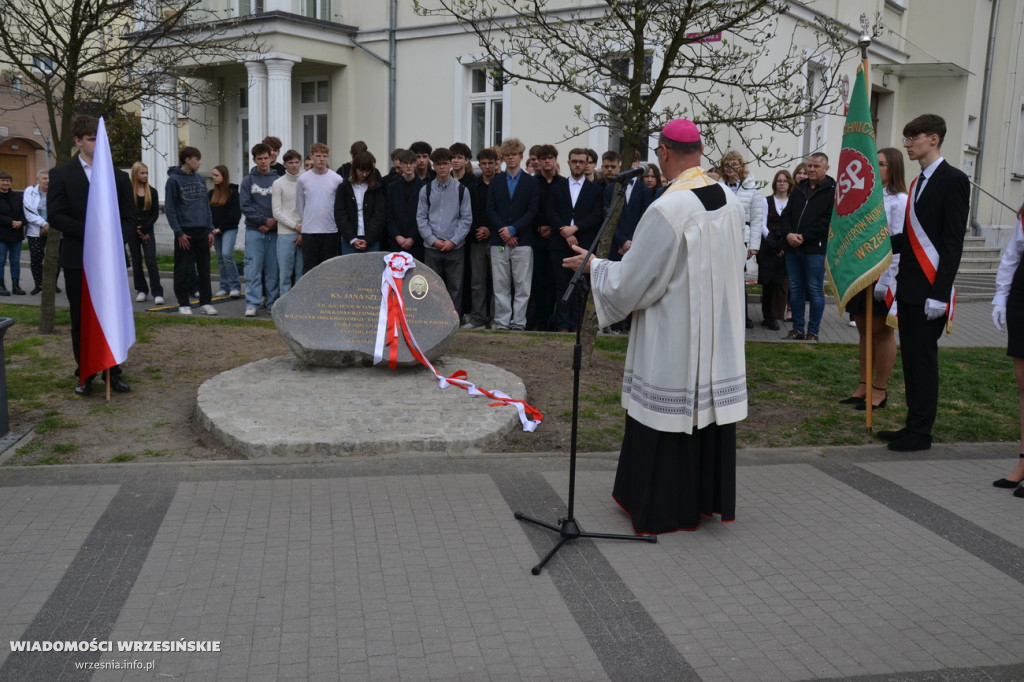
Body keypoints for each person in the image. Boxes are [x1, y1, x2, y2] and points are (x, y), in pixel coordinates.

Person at [562, 118, 747, 534]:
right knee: (704, 410)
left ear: (663, 152)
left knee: (668, 412)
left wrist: (594, 265)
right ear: (699, 150)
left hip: (674, 333)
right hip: (716, 331)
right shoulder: (728, 200)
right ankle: (703, 500)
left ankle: (663, 508)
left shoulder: (668, 207)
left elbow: (633, 281)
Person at [878, 114, 969, 452]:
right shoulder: (917, 183)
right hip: (911, 286)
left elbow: (951, 241)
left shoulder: (953, 179)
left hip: (932, 289)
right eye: (906, 138)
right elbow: (910, 238)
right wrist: (878, 247)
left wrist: (941, 293)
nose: (907, 144)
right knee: (912, 359)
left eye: (912, 137)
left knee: (924, 360)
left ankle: (922, 432)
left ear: (933, 139)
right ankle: (912, 424)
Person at [46, 114, 133, 395]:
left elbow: (130, 218)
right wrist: (93, 234)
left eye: (102, 138)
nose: (98, 143)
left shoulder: (118, 177)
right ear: (78, 141)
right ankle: (85, 372)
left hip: (111, 261)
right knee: (81, 316)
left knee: (113, 312)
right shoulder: (61, 174)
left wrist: (114, 239)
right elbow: (56, 215)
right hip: (78, 258)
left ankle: (114, 370)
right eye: (93, 139)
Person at [840, 147, 908, 409]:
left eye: (881, 164)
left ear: (893, 168)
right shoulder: (868, 197)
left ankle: (879, 389)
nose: (876, 168)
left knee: (881, 333)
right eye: (875, 163)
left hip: (884, 272)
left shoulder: (900, 200)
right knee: (863, 330)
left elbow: (899, 242)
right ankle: (863, 384)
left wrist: (887, 280)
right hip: (862, 270)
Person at [780, 152, 835, 342]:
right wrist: (788, 235)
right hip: (793, 248)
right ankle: (797, 329)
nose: (811, 169)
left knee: (814, 288)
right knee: (795, 288)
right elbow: (786, 215)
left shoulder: (833, 190)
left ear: (826, 168)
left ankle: (813, 332)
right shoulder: (799, 188)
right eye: (809, 166)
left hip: (814, 249)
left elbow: (829, 221)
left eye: (816, 166)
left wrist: (804, 236)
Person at [547, 147, 603, 331]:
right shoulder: (557, 188)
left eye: (581, 161)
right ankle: (563, 325)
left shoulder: (595, 190)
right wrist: (566, 231)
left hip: (583, 245)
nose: (578, 165)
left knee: (581, 287)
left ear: (587, 163)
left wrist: (576, 228)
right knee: (561, 285)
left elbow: (596, 215)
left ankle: (577, 324)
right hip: (560, 244)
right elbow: (550, 212)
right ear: (568, 163)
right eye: (574, 161)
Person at [487, 137, 540, 331]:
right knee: (500, 283)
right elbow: (490, 209)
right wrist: (504, 231)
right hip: (499, 241)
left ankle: (518, 322)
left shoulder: (531, 183)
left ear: (520, 156)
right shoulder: (496, 181)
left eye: (513, 155)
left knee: (522, 285)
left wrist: (514, 229)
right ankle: (501, 321)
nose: (510, 159)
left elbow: (532, 211)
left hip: (523, 241)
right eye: (506, 155)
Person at [991, 198, 1024, 497]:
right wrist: (1001, 297)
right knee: (1023, 382)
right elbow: (1012, 255)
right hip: (1022, 295)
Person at [416, 147, 472, 314]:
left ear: (450, 165)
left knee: (455, 287)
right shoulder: (425, 190)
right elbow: (421, 218)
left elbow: (466, 219)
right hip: (432, 247)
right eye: (438, 164)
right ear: (433, 166)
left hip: (455, 247)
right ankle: (434, 320)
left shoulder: (461, 190)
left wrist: (453, 241)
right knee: (432, 286)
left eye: (445, 164)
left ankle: (453, 319)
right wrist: (433, 240)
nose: (442, 167)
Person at [165, 146, 217, 316]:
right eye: (197, 159)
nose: (200, 163)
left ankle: (206, 302)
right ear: (188, 160)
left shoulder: (200, 179)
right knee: (182, 268)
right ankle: (183, 303)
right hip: (185, 232)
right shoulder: (173, 181)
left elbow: (205, 206)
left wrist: (210, 229)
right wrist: (178, 232)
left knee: (204, 268)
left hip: (202, 230)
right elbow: (170, 209)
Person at [719, 150, 764, 329]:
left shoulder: (752, 188)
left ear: (741, 166)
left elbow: (757, 219)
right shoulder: (718, 186)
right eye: (727, 165)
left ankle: (742, 317)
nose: (730, 168)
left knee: (738, 278)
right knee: (721, 278)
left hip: (742, 238)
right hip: (722, 236)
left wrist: (754, 246)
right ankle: (722, 316)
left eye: (734, 164)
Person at [240, 142, 281, 317]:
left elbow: (284, 205)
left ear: (271, 158)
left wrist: (273, 222)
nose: (263, 162)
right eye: (260, 159)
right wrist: (263, 221)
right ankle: (252, 303)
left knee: (273, 269)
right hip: (254, 230)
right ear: (254, 160)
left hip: (274, 231)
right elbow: (245, 206)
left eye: (266, 158)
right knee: (253, 268)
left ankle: (272, 302)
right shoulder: (247, 181)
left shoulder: (278, 179)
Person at [462, 147, 498, 329]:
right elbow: (467, 213)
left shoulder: (501, 185)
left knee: (497, 282)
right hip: (477, 240)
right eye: (483, 163)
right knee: (477, 282)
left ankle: (494, 319)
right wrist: (478, 230)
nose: (487, 167)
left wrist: (491, 230)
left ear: (496, 164)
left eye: (490, 163)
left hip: (497, 242)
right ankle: (478, 318)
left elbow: (504, 213)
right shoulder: (472, 187)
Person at [295, 142, 343, 273]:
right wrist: (306, 222)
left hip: (330, 229)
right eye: (318, 156)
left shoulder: (336, 179)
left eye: (324, 156)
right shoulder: (303, 179)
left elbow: (339, 205)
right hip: (310, 230)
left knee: (329, 269)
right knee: (309, 268)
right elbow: (300, 205)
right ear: (311, 157)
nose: (321, 159)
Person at [757, 170, 793, 331]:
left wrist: (784, 246)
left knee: (781, 283)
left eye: (785, 181)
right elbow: (762, 224)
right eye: (779, 181)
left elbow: (792, 225)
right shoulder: (767, 201)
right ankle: (767, 316)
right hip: (769, 247)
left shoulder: (792, 202)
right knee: (768, 283)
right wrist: (774, 244)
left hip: (786, 248)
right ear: (775, 184)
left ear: (789, 184)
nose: (782, 184)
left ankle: (777, 314)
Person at [336, 150, 386, 254]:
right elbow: (340, 214)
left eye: (367, 171)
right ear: (354, 169)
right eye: (361, 170)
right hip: (349, 240)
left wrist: (368, 238)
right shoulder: (344, 187)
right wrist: (352, 238)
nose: (364, 174)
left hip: (371, 240)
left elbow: (379, 215)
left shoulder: (376, 188)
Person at [127, 162, 163, 304]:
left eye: (147, 173)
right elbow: (127, 211)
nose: (145, 176)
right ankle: (141, 289)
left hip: (147, 231)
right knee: (136, 261)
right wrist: (137, 228)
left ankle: (157, 292)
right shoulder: (129, 192)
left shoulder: (152, 191)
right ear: (135, 174)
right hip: (133, 230)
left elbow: (154, 214)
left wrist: (145, 229)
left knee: (151, 261)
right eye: (142, 173)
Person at [272, 149, 304, 295]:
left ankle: (300, 306)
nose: (294, 165)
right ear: (284, 164)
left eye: (297, 162)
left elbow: (310, 207)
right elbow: (277, 212)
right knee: (285, 274)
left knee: (301, 274)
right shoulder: (278, 183)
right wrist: (295, 226)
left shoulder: (305, 180)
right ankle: (284, 306)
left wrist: (303, 230)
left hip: (304, 232)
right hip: (285, 233)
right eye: (290, 162)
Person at [385, 148, 425, 260]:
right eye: (405, 163)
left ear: (415, 164)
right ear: (400, 165)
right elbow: (389, 214)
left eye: (411, 163)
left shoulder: (423, 187)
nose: (408, 166)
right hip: (396, 241)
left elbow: (424, 215)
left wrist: (412, 237)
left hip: (416, 242)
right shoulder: (392, 187)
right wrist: (397, 235)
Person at [209, 165, 242, 298]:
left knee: (227, 254)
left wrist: (221, 228)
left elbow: (235, 215)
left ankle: (235, 286)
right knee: (220, 259)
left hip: (229, 229)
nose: (214, 178)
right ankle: (224, 286)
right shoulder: (211, 194)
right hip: (214, 231)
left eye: (216, 175)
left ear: (224, 176)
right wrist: (211, 228)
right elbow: (208, 213)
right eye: (213, 175)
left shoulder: (233, 193)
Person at [22, 168, 53, 296]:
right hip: (35, 231)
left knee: (54, 258)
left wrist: (51, 226)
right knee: (36, 258)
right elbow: (29, 212)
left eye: (49, 178)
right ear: (38, 179)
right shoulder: (30, 191)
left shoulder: (56, 191)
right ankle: (38, 285)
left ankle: (52, 284)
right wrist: (44, 224)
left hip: (55, 230)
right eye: (44, 178)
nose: (47, 181)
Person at [0, 169, 26, 296]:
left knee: (15, 260)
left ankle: (16, 285)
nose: (5, 183)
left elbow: (24, 212)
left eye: (7, 181)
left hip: (16, 234)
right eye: (3, 180)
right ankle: (1, 286)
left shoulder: (17, 196)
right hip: (2, 234)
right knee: (1, 260)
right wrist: (11, 222)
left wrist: (21, 222)